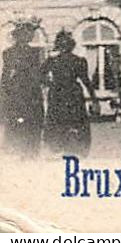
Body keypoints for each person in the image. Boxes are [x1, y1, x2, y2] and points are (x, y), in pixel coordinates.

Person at [43, 30, 93, 155]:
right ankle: (73, 145)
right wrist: (94, 97)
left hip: (58, 92)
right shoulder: (79, 60)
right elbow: (86, 81)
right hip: (72, 92)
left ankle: (59, 145)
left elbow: (40, 75)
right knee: (74, 120)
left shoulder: (52, 61)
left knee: (58, 120)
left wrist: (50, 83)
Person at [2, 22, 44, 157]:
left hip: (24, 89)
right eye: (25, 35)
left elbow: (6, 74)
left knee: (27, 120)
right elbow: (6, 73)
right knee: (22, 120)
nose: (28, 37)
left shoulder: (32, 52)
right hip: (24, 89)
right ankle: (25, 151)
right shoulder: (11, 53)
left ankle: (27, 151)